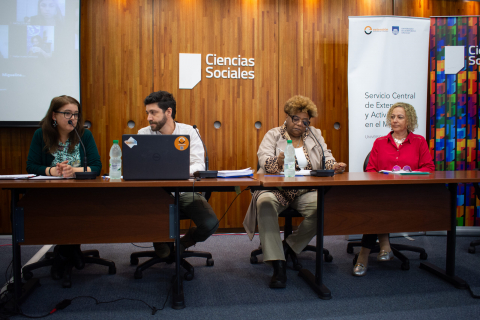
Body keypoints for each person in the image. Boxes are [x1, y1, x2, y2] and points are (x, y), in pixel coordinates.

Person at [243, 95, 347, 288]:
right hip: (276, 190)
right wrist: (278, 161)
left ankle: (288, 246)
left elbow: (326, 156)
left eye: (305, 121)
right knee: (264, 203)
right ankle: (278, 265)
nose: (300, 124)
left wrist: (335, 165)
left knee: (324, 207)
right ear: (288, 117)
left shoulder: (314, 134)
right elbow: (264, 160)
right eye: (296, 119)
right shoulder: (273, 134)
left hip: (304, 190)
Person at [353, 102, 435, 277]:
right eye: (392, 117)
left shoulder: (419, 141)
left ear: (409, 120)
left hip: (409, 193)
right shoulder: (380, 142)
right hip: (383, 192)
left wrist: (409, 173)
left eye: (400, 117)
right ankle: (380, 248)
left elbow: (429, 167)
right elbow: (370, 170)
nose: (395, 120)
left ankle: (367, 253)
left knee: (378, 207)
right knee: (378, 205)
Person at [26, 95, 102, 279]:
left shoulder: (84, 135)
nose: (73, 118)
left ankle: (65, 251)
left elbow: (96, 167)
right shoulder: (41, 135)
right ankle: (69, 250)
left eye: (76, 114)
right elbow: (31, 166)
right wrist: (52, 171)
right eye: (67, 113)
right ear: (54, 116)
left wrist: (72, 170)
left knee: (78, 209)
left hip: (81, 193)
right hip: (50, 194)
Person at [138, 90, 219, 258]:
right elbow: (139, 167)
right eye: (147, 113)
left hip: (184, 191)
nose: (149, 118)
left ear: (168, 112)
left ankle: (183, 244)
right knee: (164, 255)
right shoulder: (143, 134)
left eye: (153, 112)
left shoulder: (189, 132)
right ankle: (161, 242)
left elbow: (198, 164)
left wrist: (173, 171)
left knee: (210, 223)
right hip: (154, 193)